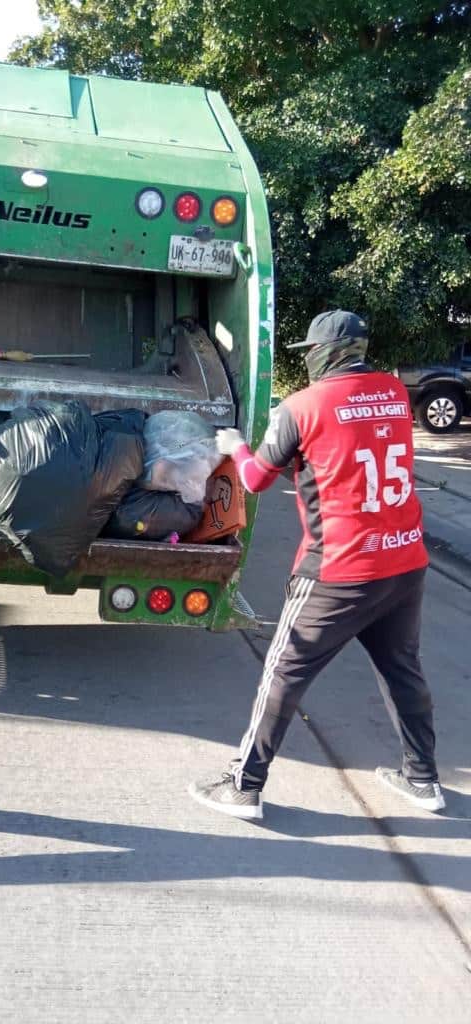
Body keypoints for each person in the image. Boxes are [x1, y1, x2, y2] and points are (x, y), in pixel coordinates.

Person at [189, 310, 444, 821]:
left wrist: (236, 446)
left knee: (282, 672)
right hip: (404, 560)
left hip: (339, 569)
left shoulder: (301, 407)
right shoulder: (396, 394)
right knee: (403, 672)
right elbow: (347, 456)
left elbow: (257, 478)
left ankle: (244, 784)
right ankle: (422, 780)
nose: (308, 360)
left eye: (310, 352)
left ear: (325, 355)